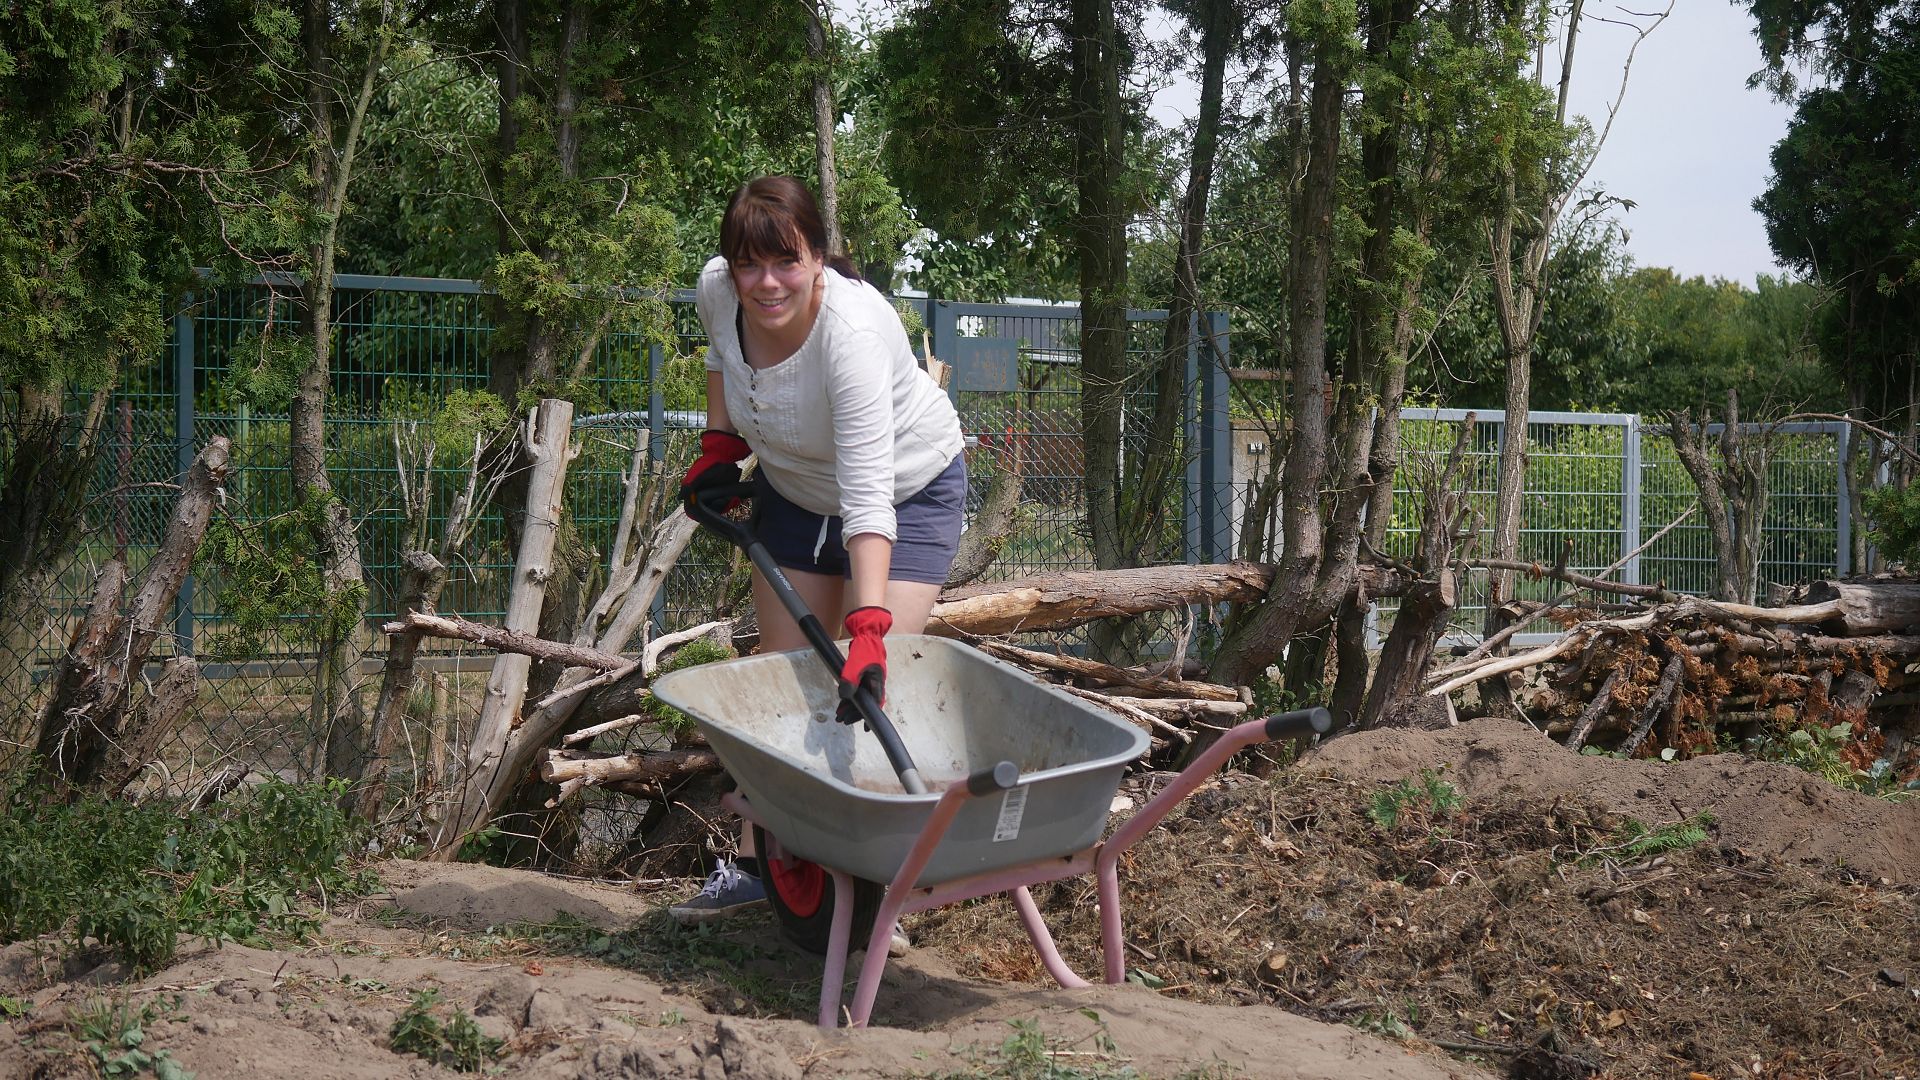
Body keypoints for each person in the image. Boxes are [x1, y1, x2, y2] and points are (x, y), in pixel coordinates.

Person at [667, 176, 967, 931]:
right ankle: (753, 866)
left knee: (868, 687)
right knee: (785, 680)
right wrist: (721, 444)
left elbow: (869, 496)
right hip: (796, 490)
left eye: (786, 263)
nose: (766, 283)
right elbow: (719, 358)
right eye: (748, 264)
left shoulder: (854, 337)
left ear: (818, 258)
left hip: (904, 489)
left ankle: (874, 892)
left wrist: (867, 627)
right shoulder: (717, 289)